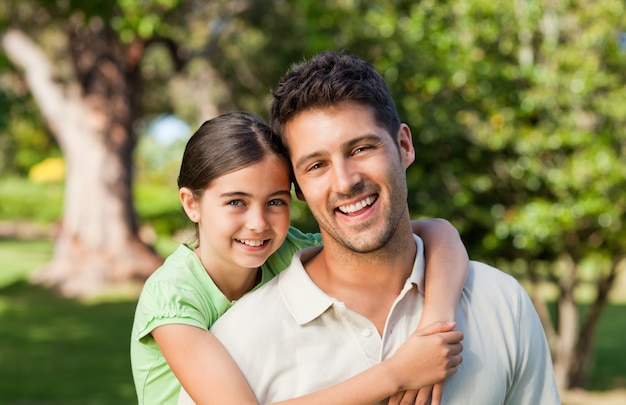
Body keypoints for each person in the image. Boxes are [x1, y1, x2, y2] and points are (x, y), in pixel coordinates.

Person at [179, 51, 561, 405]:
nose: (345, 182)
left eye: (361, 148)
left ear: (404, 146)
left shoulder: (501, 303)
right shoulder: (235, 343)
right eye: (316, 165)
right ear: (297, 187)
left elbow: (441, 231)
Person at [131, 111, 468, 405]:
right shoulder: (172, 297)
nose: (258, 223)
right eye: (236, 202)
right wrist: (398, 373)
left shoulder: (286, 250)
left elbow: (438, 232)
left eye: (275, 201)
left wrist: (434, 325)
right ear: (191, 204)